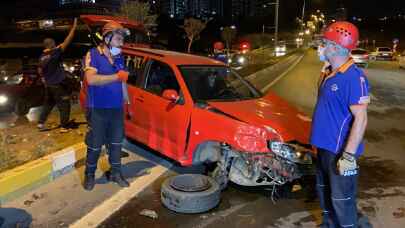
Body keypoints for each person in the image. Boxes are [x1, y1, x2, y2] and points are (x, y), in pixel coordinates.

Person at [311, 21, 370, 228]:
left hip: (340, 152)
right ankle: (328, 225)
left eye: (325, 43)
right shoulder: (329, 73)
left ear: (335, 47)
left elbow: (361, 118)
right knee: (325, 194)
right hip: (324, 149)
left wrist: (348, 156)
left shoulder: (353, 78)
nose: (321, 47)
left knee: (342, 202)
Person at [82, 21, 131, 191]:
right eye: (119, 38)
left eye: (122, 39)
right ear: (107, 37)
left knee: (116, 144)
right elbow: (91, 79)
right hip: (98, 109)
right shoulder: (93, 54)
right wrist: (117, 77)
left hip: (116, 108)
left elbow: (123, 81)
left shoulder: (119, 56)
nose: (122, 43)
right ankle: (89, 174)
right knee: (95, 145)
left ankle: (116, 173)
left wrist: (128, 103)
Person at [37, 18, 78, 133]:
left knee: (48, 104)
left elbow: (40, 70)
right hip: (57, 85)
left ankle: (40, 123)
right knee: (64, 104)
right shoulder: (55, 53)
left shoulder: (42, 56)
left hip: (49, 85)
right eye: (54, 43)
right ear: (52, 44)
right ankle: (64, 126)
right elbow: (67, 41)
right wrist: (74, 27)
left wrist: (44, 80)